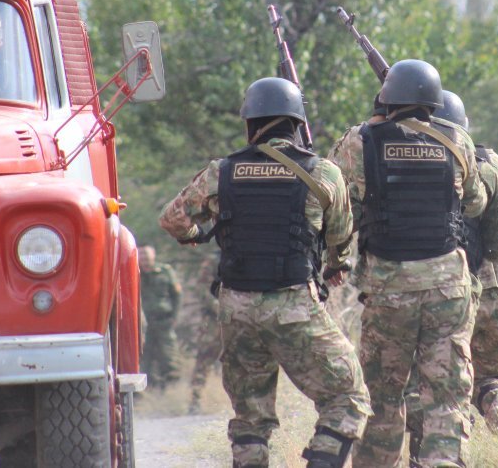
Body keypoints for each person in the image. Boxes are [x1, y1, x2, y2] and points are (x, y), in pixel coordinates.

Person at [159, 77, 371, 468]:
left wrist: (194, 236)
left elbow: (172, 218)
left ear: (250, 124)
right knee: (349, 397)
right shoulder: (323, 173)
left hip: (236, 309)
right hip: (294, 305)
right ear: (297, 124)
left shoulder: (221, 172)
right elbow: (341, 235)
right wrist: (335, 265)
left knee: (250, 420)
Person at [329, 60, 485, 468]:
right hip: (447, 287)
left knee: (382, 395)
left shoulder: (360, 140)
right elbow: (476, 203)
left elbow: (334, 194)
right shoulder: (457, 140)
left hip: (388, 288)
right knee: (447, 395)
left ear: (386, 98)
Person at [435, 91, 498, 433]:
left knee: (445, 377)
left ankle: (453, 442)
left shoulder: (435, 167)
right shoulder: (491, 160)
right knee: (489, 381)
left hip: (460, 284)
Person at [138, 245, 183, 389]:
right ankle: (145, 393)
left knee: (169, 357)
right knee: (143, 359)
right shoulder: (134, 272)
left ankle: (171, 390)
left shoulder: (165, 271)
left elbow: (177, 295)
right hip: (142, 324)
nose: (144, 258)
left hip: (164, 321)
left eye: (147, 255)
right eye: (141, 255)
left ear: (153, 255)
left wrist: (174, 316)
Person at [186, 237, 223, 414]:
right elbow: (202, 288)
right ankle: (196, 400)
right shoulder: (215, 260)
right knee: (205, 358)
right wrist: (217, 306)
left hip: (240, 317)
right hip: (214, 319)